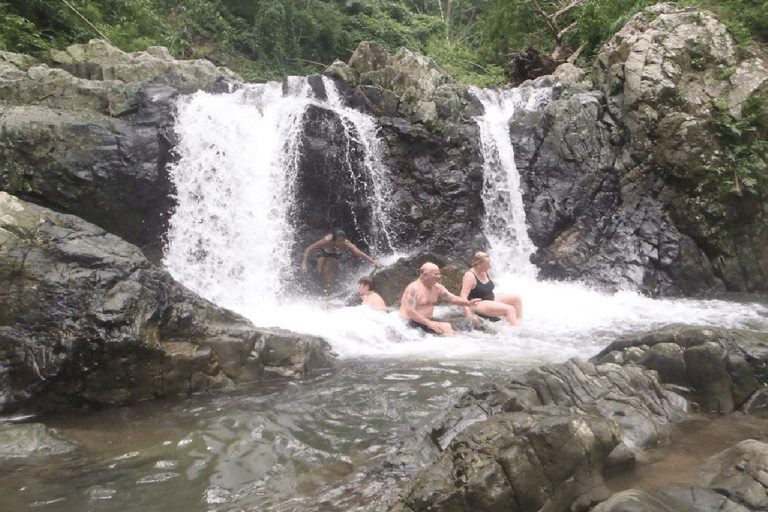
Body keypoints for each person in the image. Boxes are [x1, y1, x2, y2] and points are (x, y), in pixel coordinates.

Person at [400, 262, 481, 336]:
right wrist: (429, 323)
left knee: (465, 325)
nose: (439, 277)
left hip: (425, 322)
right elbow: (409, 311)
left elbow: (453, 298)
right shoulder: (413, 288)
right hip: (408, 323)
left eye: (439, 274)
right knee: (447, 327)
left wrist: (468, 303)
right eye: (436, 274)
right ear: (425, 275)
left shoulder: (437, 288)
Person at [301, 229, 380, 294]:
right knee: (319, 271)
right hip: (324, 252)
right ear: (333, 240)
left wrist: (373, 261)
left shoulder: (347, 244)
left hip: (334, 254)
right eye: (338, 241)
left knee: (328, 272)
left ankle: (329, 293)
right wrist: (304, 263)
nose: (340, 243)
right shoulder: (327, 240)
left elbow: (359, 253)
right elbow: (308, 249)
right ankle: (320, 287)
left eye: (342, 241)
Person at [459, 251, 522, 326]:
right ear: (478, 263)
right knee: (509, 309)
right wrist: (469, 315)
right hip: (477, 303)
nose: (489, 266)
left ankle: (518, 322)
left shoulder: (485, 271)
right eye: (487, 264)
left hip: (489, 299)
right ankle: (517, 330)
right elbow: (463, 296)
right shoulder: (470, 276)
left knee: (517, 299)